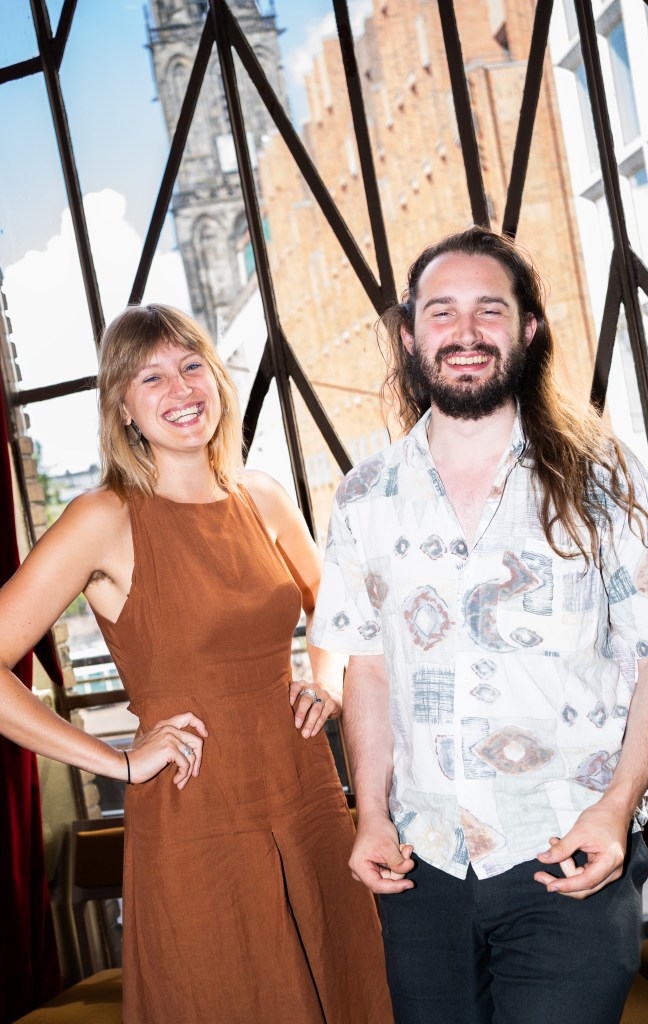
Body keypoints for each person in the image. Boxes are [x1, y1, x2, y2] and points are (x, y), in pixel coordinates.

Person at [309, 226, 648, 1024]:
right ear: (409, 336)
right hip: (421, 866)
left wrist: (616, 805)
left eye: (490, 309)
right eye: (441, 311)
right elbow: (367, 665)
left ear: (528, 329)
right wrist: (369, 815)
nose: (466, 331)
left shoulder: (602, 474)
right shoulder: (364, 495)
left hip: (566, 850)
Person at [0, 304, 392, 1024]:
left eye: (190, 366)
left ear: (216, 378)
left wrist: (325, 681)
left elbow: (332, 608)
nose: (180, 389)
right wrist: (116, 761)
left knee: (349, 989)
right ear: (122, 407)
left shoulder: (263, 496)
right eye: (150, 377)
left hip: (306, 794)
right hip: (196, 816)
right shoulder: (103, 518)